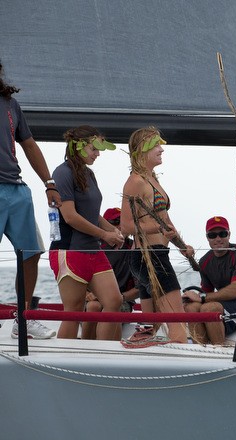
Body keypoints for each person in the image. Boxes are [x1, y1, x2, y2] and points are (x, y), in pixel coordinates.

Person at [0, 60, 60, 339]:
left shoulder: (10, 103)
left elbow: (29, 143)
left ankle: (21, 319)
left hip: (17, 189)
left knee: (32, 253)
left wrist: (49, 182)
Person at [49, 125, 124, 340]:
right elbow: (70, 216)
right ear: (79, 147)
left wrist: (114, 231)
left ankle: (104, 355)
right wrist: (104, 235)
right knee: (73, 310)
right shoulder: (62, 173)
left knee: (114, 301)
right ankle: (65, 362)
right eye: (95, 148)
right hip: (69, 251)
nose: (98, 154)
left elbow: (92, 214)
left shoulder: (88, 173)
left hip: (92, 250)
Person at [120, 126, 192, 344]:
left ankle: (151, 348)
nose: (162, 149)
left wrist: (181, 245)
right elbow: (126, 227)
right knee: (176, 316)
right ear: (143, 149)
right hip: (147, 256)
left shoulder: (153, 179)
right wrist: (157, 229)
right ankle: (180, 356)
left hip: (159, 252)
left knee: (157, 319)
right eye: (157, 145)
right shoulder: (135, 182)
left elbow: (165, 220)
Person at [182, 216, 236, 345]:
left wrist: (200, 297)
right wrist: (189, 299)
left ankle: (219, 351)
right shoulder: (205, 261)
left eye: (222, 234)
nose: (218, 239)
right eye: (213, 235)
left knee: (210, 308)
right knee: (192, 308)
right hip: (224, 307)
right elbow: (206, 292)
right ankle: (200, 353)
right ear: (207, 238)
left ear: (229, 235)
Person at [81, 207, 140, 340]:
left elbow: (140, 289)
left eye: (122, 221)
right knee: (93, 306)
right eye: (115, 221)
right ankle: (85, 349)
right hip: (94, 300)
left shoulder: (134, 250)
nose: (119, 226)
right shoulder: (92, 248)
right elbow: (79, 279)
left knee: (114, 305)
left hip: (122, 300)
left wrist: (119, 298)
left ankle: (107, 351)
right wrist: (86, 294)